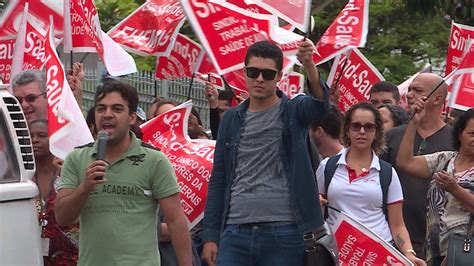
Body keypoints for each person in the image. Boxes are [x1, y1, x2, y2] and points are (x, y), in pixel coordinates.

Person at [202, 40, 337, 266]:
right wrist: (210, 236)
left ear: (279, 77)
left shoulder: (293, 110)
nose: (260, 79)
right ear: (244, 72)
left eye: (267, 73)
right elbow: (219, 177)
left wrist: (309, 65)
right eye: (253, 72)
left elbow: (320, 105)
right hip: (235, 232)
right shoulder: (231, 120)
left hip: (285, 232)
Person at [54, 80, 192, 265]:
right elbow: (63, 218)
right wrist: (85, 187)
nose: (107, 115)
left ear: (132, 117)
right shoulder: (76, 158)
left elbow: (176, 221)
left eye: (117, 109)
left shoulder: (154, 160)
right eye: (101, 109)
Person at [316, 102, 425, 265]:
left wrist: (408, 253)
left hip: (376, 256)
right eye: (356, 126)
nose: (362, 131)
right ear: (347, 129)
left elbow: (397, 224)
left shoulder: (387, 173)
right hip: (338, 254)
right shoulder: (327, 167)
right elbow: (315, 211)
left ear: (377, 132)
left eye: (369, 127)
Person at [380, 73, 455, 258]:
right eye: (410, 89)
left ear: (437, 98)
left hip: (438, 243)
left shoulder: (456, 140)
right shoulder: (392, 136)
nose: (409, 94)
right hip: (394, 237)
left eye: (418, 90)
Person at [397, 102, 474, 265]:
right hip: (434, 250)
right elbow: (405, 162)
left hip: (466, 253)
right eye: (472, 133)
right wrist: (413, 124)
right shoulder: (445, 160)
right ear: (460, 134)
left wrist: (455, 189)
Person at [30, 119, 79, 265]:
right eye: (31, 136)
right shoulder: (22, 176)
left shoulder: (68, 174)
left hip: (66, 257)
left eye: (41, 135)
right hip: (31, 254)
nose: (35, 140)